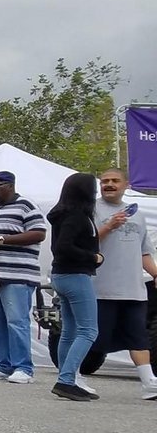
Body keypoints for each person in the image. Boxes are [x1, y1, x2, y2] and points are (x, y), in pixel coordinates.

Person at [0, 170, 48, 384]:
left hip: (18, 274)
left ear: (11, 186)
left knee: (17, 322)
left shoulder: (25, 206)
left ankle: (23, 367)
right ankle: (3, 365)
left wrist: (2, 239)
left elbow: (39, 233)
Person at [91, 168, 157, 400]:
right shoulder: (91, 209)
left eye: (114, 181)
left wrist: (156, 274)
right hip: (101, 289)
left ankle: (149, 382)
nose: (109, 184)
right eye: (104, 181)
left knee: (138, 336)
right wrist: (109, 226)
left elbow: (144, 251)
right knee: (91, 339)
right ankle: (70, 377)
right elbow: (81, 242)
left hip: (133, 290)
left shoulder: (137, 215)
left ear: (126, 185)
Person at [47, 173, 102, 401]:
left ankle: (67, 376)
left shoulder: (62, 215)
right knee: (89, 330)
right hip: (76, 275)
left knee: (69, 331)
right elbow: (63, 247)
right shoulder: (77, 217)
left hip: (61, 275)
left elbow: (57, 248)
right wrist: (93, 257)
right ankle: (67, 379)